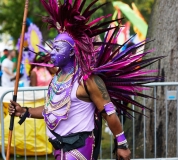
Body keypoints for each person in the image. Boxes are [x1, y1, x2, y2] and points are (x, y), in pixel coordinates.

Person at [9, 1, 160, 160]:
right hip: (58, 149)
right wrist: (24, 111)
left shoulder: (87, 80)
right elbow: (50, 110)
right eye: (53, 48)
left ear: (72, 52)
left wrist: (122, 144)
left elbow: (109, 113)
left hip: (79, 149)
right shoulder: (57, 79)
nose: (52, 52)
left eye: (58, 48)